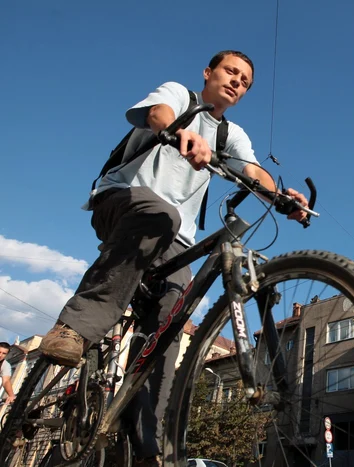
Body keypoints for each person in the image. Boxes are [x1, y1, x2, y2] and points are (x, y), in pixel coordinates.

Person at [37, 50, 309, 467]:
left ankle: (150, 447)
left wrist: (281, 196)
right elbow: (158, 113)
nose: (237, 81)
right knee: (161, 213)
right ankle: (74, 328)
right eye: (230, 72)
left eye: (245, 81)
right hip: (124, 202)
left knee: (173, 317)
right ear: (209, 73)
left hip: (175, 240)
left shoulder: (229, 134)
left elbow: (253, 170)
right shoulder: (181, 96)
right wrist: (181, 133)